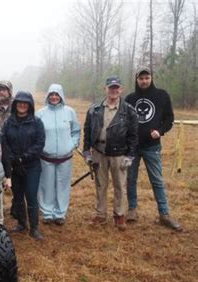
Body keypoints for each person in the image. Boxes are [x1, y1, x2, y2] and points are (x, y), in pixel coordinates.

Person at [124, 67, 182, 230]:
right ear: (136, 80)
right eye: (141, 78)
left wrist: (160, 131)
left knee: (157, 180)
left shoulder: (162, 96)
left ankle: (164, 214)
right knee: (131, 180)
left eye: (147, 78)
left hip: (152, 147)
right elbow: (125, 121)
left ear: (151, 79)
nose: (144, 81)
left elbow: (169, 118)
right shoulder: (130, 98)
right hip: (132, 147)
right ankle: (132, 210)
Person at [83, 76, 139, 230]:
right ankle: (101, 215)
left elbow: (134, 136)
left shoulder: (129, 111)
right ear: (105, 89)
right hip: (99, 153)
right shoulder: (94, 109)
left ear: (121, 89)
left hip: (119, 154)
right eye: (110, 87)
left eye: (116, 87)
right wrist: (87, 151)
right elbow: (87, 130)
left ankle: (119, 215)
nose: (113, 90)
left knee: (120, 185)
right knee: (101, 185)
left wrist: (130, 156)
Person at [3, 91, 45, 240]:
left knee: (31, 196)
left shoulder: (36, 122)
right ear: (15, 104)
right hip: (14, 167)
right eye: (19, 102)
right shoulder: (8, 122)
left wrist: (24, 157)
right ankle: (22, 223)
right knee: (18, 196)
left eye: (25, 102)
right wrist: (13, 159)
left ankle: (34, 228)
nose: (22, 105)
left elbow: (39, 143)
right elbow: (4, 142)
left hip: (32, 166)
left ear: (30, 105)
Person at [37, 84, 80, 225]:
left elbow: (76, 131)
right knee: (46, 185)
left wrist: (72, 144)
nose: (54, 97)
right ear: (48, 96)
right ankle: (47, 213)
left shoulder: (69, 112)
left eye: (57, 95)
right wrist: (41, 148)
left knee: (62, 185)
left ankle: (60, 213)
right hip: (46, 157)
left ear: (61, 96)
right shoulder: (40, 114)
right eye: (51, 95)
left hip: (65, 157)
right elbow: (37, 134)